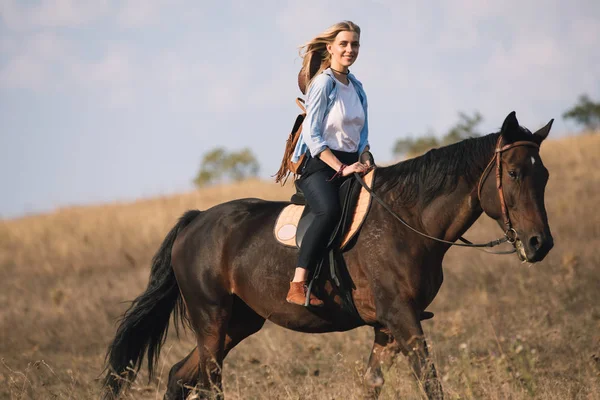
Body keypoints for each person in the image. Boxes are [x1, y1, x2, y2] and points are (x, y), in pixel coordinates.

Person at [285, 20, 373, 307]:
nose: (350, 49)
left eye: (355, 44)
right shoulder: (324, 83)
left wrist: (365, 157)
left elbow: (362, 134)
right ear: (331, 48)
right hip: (319, 165)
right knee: (329, 211)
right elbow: (312, 135)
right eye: (344, 44)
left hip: (352, 164)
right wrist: (340, 168)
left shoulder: (357, 87)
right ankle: (298, 282)